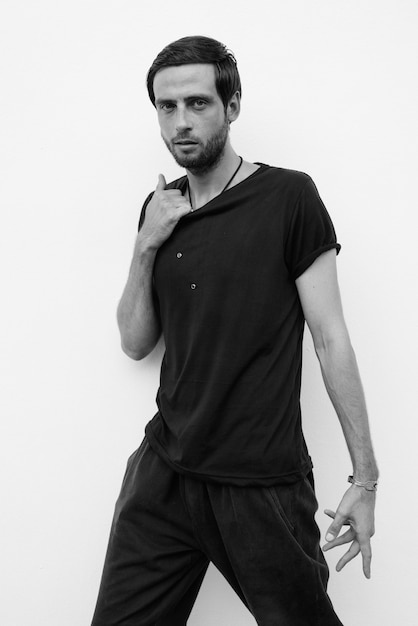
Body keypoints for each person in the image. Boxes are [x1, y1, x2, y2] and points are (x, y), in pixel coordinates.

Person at [91, 35, 378, 625]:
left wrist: (366, 478)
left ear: (232, 105)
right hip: (164, 471)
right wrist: (147, 243)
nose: (181, 122)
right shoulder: (159, 208)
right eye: (166, 108)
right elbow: (135, 341)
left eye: (197, 103)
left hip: (259, 483)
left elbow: (331, 339)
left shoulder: (288, 197)